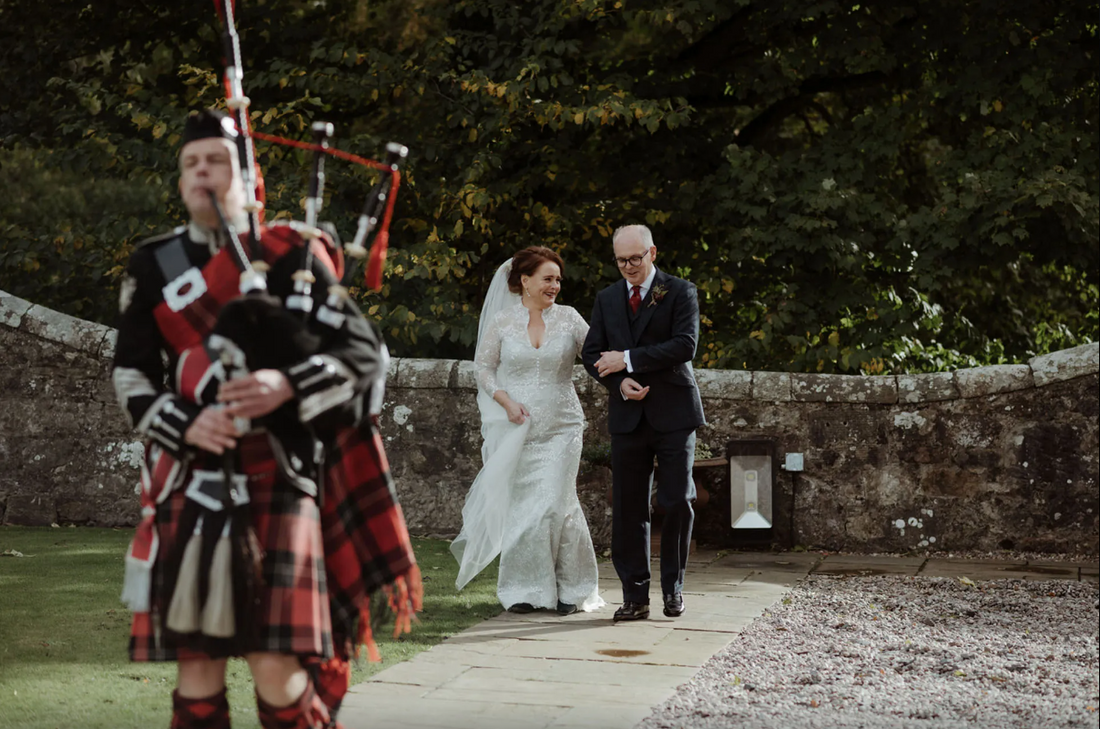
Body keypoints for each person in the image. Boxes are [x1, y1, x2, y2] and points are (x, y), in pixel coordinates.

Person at [112, 109, 419, 729]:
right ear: (180, 180)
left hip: (278, 471)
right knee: (196, 666)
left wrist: (285, 384)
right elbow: (132, 375)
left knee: (275, 666)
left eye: (216, 160)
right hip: (189, 475)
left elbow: (365, 355)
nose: (202, 172)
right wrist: (185, 423)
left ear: (247, 176)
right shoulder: (153, 264)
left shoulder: (291, 253)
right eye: (191, 163)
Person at [451, 246, 605, 616]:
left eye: (558, 280)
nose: (555, 286)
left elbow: (598, 356)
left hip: (563, 426)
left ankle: (573, 589)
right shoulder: (503, 322)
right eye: (548, 278)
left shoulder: (569, 318)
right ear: (525, 281)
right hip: (518, 426)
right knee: (526, 506)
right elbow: (483, 368)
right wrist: (505, 400)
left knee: (554, 503)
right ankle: (525, 589)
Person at [581, 224, 705, 623]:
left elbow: (685, 344)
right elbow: (592, 354)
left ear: (652, 252)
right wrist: (618, 382)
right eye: (621, 261)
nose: (629, 266)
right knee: (628, 507)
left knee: (677, 500)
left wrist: (628, 359)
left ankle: (673, 589)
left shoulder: (680, 291)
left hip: (674, 413)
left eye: (635, 258)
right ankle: (635, 596)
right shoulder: (607, 298)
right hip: (628, 416)